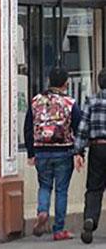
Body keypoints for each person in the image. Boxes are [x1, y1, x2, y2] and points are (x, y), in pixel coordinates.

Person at [24, 66, 81, 241]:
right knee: (61, 190)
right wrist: (79, 152)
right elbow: (78, 127)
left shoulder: (35, 101)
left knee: (45, 186)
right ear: (65, 84)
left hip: (41, 150)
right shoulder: (70, 103)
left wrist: (30, 152)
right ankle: (59, 230)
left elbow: (27, 127)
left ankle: (42, 211)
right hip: (64, 151)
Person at [73, 68, 106, 244]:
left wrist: (78, 151)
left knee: (94, 188)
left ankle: (90, 220)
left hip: (97, 147)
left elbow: (83, 127)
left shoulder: (91, 101)